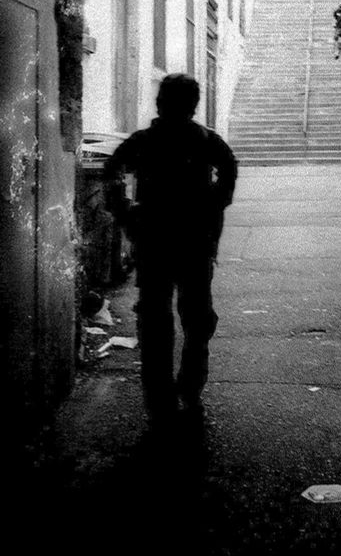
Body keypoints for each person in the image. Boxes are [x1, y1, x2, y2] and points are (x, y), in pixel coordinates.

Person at [104, 73, 237, 425]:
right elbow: (228, 171)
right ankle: (189, 389)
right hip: (194, 240)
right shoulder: (206, 141)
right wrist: (213, 204)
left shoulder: (145, 141)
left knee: (155, 319)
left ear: (160, 102)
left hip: (155, 241)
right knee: (195, 318)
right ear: (193, 106)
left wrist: (125, 212)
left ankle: (161, 397)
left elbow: (112, 170)